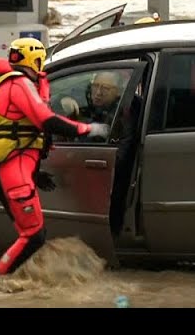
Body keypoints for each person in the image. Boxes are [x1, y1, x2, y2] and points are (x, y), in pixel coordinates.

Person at [0, 37, 108, 276]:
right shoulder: (18, 84)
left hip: (11, 169)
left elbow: (22, 132)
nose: (42, 65)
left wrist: (35, 174)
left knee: (30, 235)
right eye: (40, 60)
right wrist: (88, 129)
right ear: (33, 59)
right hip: (12, 173)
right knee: (33, 236)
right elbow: (45, 120)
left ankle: (16, 280)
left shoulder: (9, 83)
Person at [60, 70, 142, 234]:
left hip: (109, 185)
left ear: (118, 92)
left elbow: (119, 157)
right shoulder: (100, 108)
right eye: (95, 86)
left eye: (105, 89)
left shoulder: (122, 114)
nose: (98, 92)